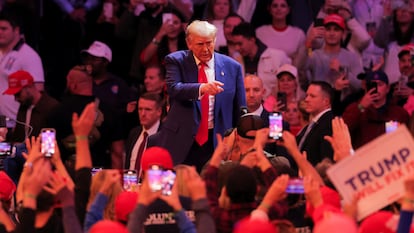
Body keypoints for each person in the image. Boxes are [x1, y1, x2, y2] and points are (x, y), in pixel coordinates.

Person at [148, 20, 246, 172]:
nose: (206, 49)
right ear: (189, 43)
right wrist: (202, 88)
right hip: (182, 140)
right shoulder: (176, 61)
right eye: (200, 44)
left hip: (217, 141)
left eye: (209, 43)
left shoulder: (232, 67)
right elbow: (174, 88)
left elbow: (239, 108)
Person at [343, 70, 409, 149]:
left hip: (388, 157)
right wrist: (361, 107)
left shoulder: (398, 113)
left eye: (380, 84)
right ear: (366, 88)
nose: (376, 88)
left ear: (387, 88)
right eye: (372, 85)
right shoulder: (355, 109)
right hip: (363, 158)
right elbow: (343, 130)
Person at [0, 12, 44, 122]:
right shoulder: (1, 53)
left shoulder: (28, 55)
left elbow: (38, 90)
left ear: (16, 30)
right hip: (2, 120)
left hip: (17, 120)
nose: (0, 32)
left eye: (4, 29)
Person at [231, 22, 291, 97]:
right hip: (245, 107)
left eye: (240, 44)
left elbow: (292, 86)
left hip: (273, 107)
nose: (236, 48)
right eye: (234, 44)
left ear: (252, 40)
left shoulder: (278, 57)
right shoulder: (235, 61)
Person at [3, 70, 59, 143]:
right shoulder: (24, 106)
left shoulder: (52, 108)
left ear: (29, 87)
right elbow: (18, 137)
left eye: (18, 94)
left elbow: (51, 144)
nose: (16, 99)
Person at [296, 81, 334, 166]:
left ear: (326, 101)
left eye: (312, 96)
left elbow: (326, 162)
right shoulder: (314, 124)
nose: (306, 99)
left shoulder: (329, 124)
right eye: (307, 95)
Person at [125, 93, 163, 170]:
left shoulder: (166, 136)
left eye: (148, 109)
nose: (143, 114)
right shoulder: (134, 133)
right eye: (140, 109)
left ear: (159, 111)